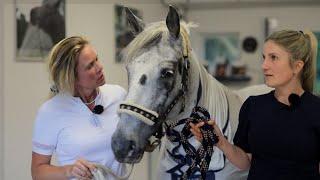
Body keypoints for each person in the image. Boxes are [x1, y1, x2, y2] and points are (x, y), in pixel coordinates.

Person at [190, 30, 320, 180]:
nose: (264, 65)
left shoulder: (316, 110)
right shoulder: (253, 106)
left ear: (297, 66)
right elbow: (246, 162)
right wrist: (221, 142)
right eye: (264, 58)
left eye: (274, 58)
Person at [31, 36, 127, 180]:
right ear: (72, 78)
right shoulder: (50, 111)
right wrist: (68, 171)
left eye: (97, 59)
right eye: (90, 66)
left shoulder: (119, 95)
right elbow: (38, 172)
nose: (100, 67)